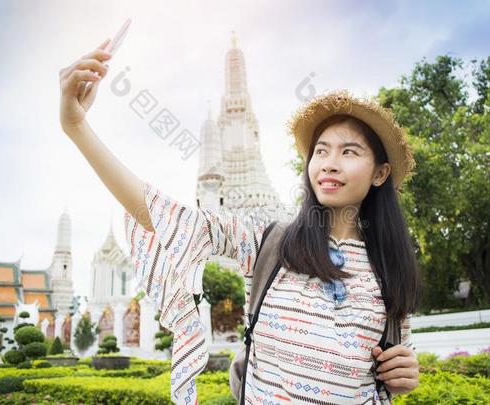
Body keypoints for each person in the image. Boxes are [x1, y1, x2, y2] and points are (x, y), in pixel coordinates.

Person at [59, 40, 420, 405]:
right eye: (321, 150)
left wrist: (404, 373)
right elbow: (161, 214)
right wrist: (76, 127)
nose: (329, 163)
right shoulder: (269, 244)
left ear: (380, 173)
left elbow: (395, 360)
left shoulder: (390, 266)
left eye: (349, 151)